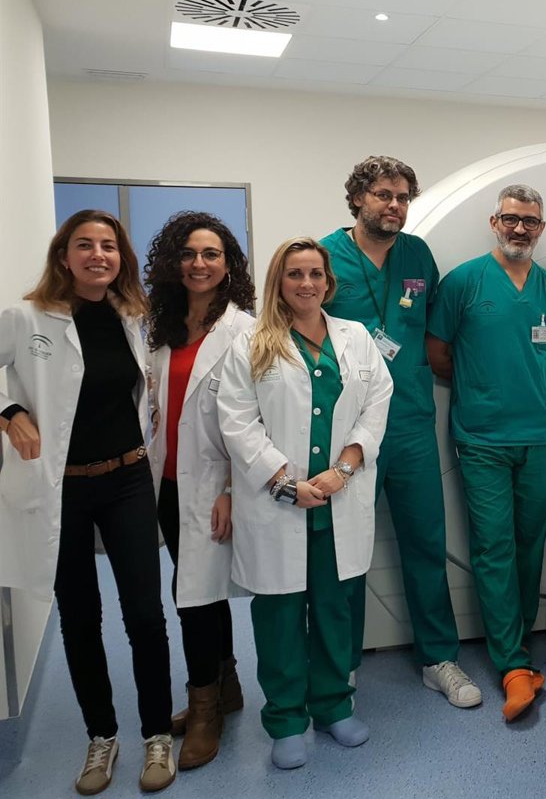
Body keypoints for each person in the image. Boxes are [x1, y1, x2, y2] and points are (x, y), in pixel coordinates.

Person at [0, 210, 176, 794]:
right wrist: (10, 412)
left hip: (127, 480)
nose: (98, 254)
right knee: (79, 618)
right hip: (62, 489)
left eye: (109, 245)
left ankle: (156, 733)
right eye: (85, 244)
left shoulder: (133, 317)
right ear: (64, 255)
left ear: (120, 258)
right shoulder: (27, 317)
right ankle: (102, 736)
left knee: (145, 614)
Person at [217, 238, 393, 769]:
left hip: (340, 499)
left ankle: (334, 705)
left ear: (328, 282)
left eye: (315, 273)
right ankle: (287, 720)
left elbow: (377, 404)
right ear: (279, 282)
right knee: (281, 615)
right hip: (279, 504)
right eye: (295, 274)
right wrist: (285, 482)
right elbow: (237, 421)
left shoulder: (355, 338)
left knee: (337, 611)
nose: (307, 283)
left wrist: (344, 470)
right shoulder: (252, 343)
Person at [321, 156, 480, 709]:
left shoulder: (417, 255)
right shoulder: (326, 257)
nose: (395, 205)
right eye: (384, 195)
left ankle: (439, 658)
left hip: (410, 419)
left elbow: (432, 330)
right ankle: (340, 664)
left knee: (425, 541)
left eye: (403, 197)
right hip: (347, 427)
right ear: (357, 198)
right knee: (346, 547)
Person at [426, 184, 546, 723]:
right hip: (482, 437)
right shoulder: (464, 282)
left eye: (530, 221)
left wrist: (521, 389)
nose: (520, 228)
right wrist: (485, 387)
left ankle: (519, 649)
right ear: (495, 222)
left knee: (530, 544)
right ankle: (513, 664)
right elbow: (438, 354)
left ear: (541, 228)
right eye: (511, 219)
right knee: (493, 546)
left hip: (540, 434)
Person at [144, 212, 256, 769]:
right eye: (188, 254)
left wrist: (233, 486)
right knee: (201, 590)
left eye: (211, 254)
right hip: (167, 480)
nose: (199, 264)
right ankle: (227, 686)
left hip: (215, 484)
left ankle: (205, 707)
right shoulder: (162, 327)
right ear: (173, 262)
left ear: (228, 265)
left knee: (193, 597)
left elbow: (255, 417)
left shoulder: (245, 331)